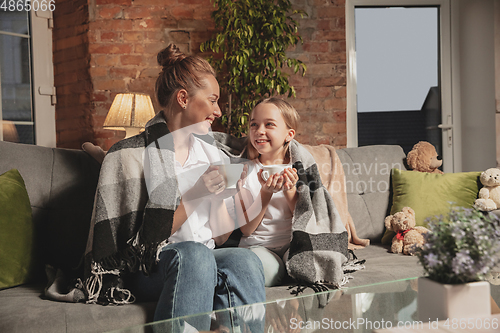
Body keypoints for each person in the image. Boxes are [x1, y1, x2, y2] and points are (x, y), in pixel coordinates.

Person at [82, 44, 265, 330]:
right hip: (151, 266)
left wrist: (228, 194)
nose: (218, 110)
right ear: (183, 98)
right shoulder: (131, 155)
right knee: (195, 255)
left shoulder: (213, 154)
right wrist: (199, 192)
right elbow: (142, 245)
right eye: (213, 100)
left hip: (203, 256)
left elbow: (219, 238)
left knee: (244, 261)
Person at [234, 97, 300, 287]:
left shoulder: (300, 169)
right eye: (254, 125)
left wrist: (289, 191)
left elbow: (307, 217)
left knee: (305, 258)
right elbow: (246, 229)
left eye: (269, 124)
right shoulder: (245, 172)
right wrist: (265, 193)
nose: (259, 131)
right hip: (257, 246)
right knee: (266, 269)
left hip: (292, 243)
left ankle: (291, 273)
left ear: (289, 134)